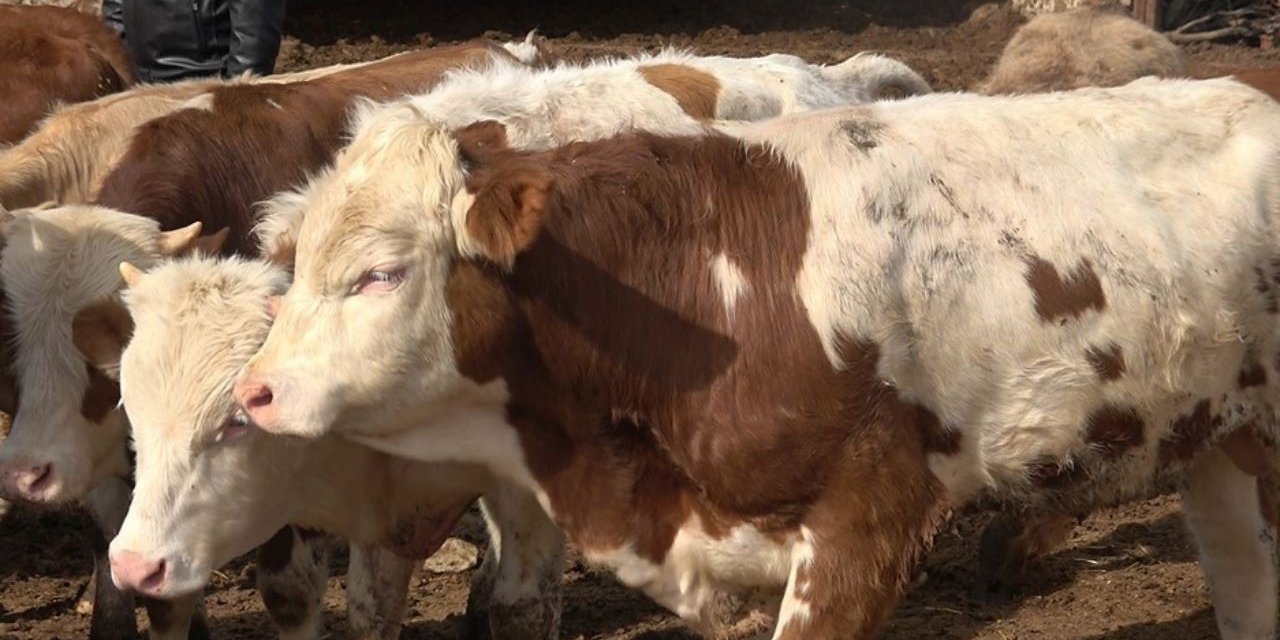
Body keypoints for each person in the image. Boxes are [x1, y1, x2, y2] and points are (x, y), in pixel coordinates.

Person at [102, 0, 285, 83]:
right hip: (142, 85)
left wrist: (235, 96)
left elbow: (256, 28)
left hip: (204, 83)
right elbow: (115, 8)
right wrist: (121, 64)